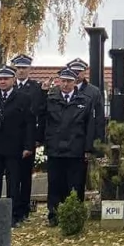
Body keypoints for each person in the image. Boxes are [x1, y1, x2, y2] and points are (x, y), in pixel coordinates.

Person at [0, 66, 35, 226]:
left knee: (14, 183)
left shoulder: (23, 98)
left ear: (13, 80)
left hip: (14, 148)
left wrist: (28, 146)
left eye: (6, 79)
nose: (2, 82)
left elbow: (29, 123)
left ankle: (13, 216)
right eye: (0, 79)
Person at [41, 68, 95, 225]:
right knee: (55, 184)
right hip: (55, 149)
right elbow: (39, 114)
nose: (65, 84)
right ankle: (54, 214)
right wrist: (42, 93)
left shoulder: (84, 100)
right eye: (62, 81)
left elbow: (89, 126)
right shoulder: (50, 98)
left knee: (76, 184)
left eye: (69, 81)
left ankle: (75, 214)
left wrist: (88, 149)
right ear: (58, 81)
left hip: (75, 149)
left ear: (74, 82)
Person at [11, 54, 45, 218]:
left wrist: (36, 139)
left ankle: (23, 208)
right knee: (12, 176)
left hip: (28, 137)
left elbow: (38, 115)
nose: (21, 71)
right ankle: (13, 207)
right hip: (11, 139)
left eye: (24, 68)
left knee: (25, 176)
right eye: (18, 68)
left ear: (29, 69)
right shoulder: (10, 87)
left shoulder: (36, 88)